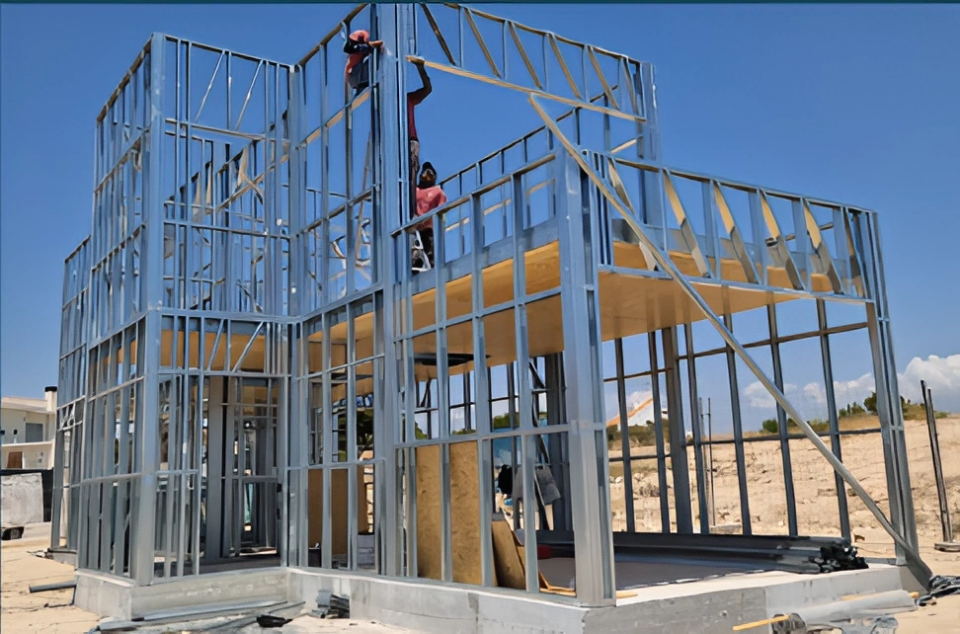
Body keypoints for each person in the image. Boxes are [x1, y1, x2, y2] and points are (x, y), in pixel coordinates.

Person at [407, 61, 432, 214]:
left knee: (410, 177)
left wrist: (420, 68)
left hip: (410, 141)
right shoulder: (402, 99)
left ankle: (411, 212)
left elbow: (427, 89)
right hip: (398, 143)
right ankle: (408, 211)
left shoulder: (407, 98)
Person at [412, 162, 446, 267]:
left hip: (428, 228)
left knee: (430, 255)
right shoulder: (415, 190)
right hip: (414, 228)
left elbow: (442, 210)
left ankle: (434, 271)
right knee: (415, 257)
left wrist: (440, 225)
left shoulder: (438, 192)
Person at [343, 29, 382, 94]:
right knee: (370, 62)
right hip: (354, 74)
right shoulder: (360, 49)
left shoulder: (356, 53)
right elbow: (375, 44)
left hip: (353, 77)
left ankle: (364, 83)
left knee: (370, 60)